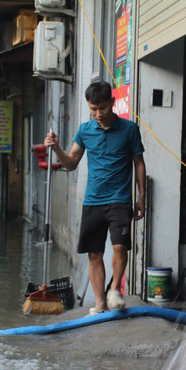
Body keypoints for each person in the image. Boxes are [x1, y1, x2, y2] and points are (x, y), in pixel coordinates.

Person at [44, 80, 146, 314]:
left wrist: (142, 197)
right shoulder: (85, 130)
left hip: (120, 199)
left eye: (102, 108)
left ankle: (114, 290)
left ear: (112, 102)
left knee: (120, 247)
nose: (98, 114)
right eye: (93, 109)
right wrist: (57, 148)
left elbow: (139, 163)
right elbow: (71, 164)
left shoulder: (130, 129)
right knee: (94, 253)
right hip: (93, 201)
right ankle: (99, 303)